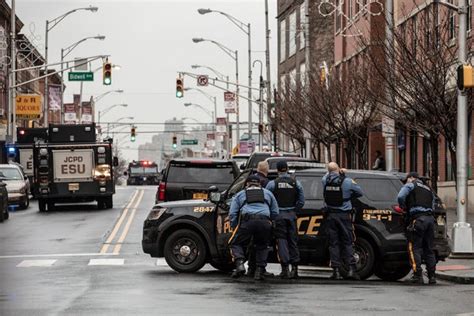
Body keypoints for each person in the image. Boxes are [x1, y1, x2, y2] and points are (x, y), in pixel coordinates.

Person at [228, 175, 279, 280]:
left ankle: (240, 264)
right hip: (265, 222)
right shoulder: (268, 193)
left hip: (247, 221)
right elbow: (275, 212)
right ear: (259, 184)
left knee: (235, 243)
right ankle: (259, 271)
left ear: (247, 184)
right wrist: (269, 221)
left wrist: (234, 226)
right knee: (262, 245)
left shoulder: (240, 194)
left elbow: (232, 213)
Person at [322, 162, 363, 280]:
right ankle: (351, 269)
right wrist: (343, 174)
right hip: (344, 216)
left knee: (333, 243)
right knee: (348, 242)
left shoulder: (325, 180)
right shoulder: (348, 181)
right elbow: (360, 192)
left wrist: (333, 171)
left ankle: (336, 271)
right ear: (339, 169)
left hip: (330, 216)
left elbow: (327, 174)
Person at [266, 161, 305, 279]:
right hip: (292, 216)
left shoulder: (272, 184)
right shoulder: (296, 183)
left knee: (282, 242)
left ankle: (285, 269)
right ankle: (295, 269)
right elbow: (301, 201)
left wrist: (273, 212)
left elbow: (267, 200)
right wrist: (294, 210)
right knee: (293, 241)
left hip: (279, 216)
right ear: (287, 169)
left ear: (277, 170)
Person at [397, 172, 437, 285]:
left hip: (418, 220)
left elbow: (400, 196)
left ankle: (417, 275)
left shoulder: (411, 185)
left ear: (412, 178)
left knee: (414, 247)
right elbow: (433, 205)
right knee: (429, 249)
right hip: (430, 220)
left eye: (407, 179)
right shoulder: (429, 189)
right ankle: (432, 276)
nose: (406, 182)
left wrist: (403, 207)